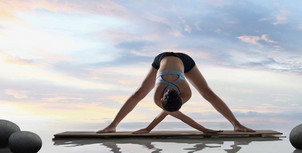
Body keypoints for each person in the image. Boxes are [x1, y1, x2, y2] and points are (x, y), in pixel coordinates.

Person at [97, 52, 255, 134]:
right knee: (138, 93)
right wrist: (204, 129)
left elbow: (172, 113)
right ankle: (112, 125)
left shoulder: (183, 92)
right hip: (167, 62)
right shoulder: (181, 93)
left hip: (180, 62)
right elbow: (173, 113)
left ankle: (237, 124)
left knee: (208, 93)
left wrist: (148, 128)